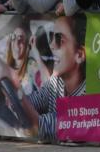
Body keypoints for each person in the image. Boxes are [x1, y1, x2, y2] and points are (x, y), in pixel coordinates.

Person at [15, 14, 87, 143]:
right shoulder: (56, 82)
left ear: (79, 55)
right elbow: (33, 102)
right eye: (51, 37)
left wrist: (14, 91)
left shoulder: (88, 92)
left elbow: (42, 126)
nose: (52, 45)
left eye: (59, 39)